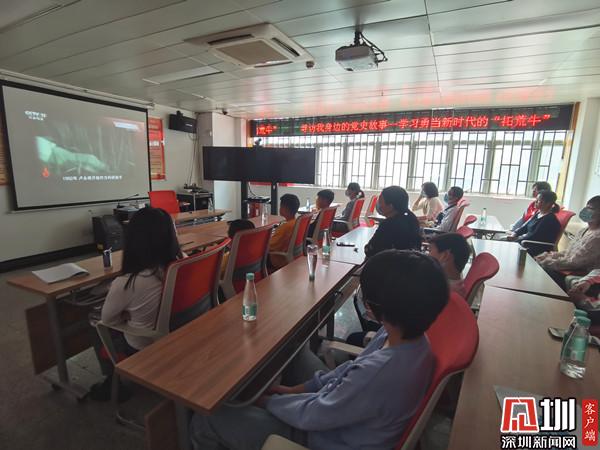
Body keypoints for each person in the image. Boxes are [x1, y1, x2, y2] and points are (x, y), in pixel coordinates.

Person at [189, 250, 449, 450]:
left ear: (379, 306)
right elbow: (347, 372)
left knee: (208, 418)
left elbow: (314, 415)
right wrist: (293, 391)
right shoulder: (406, 336)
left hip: (323, 438)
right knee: (291, 351)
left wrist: (268, 402)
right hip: (340, 409)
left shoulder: (380, 373)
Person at [90, 207, 183, 400]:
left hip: (146, 345)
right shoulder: (182, 265)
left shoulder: (128, 282)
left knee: (94, 322)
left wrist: (126, 313)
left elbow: (108, 320)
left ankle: (114, 383)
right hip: (180, 334)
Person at [536, 196, 600, 289]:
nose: (585, 210)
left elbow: (575, 262)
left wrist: (547, 261)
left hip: (581, 275)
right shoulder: (584, 230)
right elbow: (568, 252)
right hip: (570, 268)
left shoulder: (597, 237)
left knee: (541, 271)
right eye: (586, 207)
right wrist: (548, 255)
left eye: (590, 208)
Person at [364, 186, 421, 257]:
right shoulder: (412, 218)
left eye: (380, 202)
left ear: (390, 206)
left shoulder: (388, 224)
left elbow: (370, 250)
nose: (378, 205)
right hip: (411, 261)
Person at [505, 190, 561, 256]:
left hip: (536, 248)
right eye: (536, 199)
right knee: (503, 241)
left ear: (548, 203)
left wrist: (517, 239)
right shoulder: (538, 213)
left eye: (538, 200)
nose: (535, 202)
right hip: (527, 243)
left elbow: (534, 236)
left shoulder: (549, 219)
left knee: (505, 246)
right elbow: (525, 227)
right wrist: (515, 234)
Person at [429, 233, 471, 298]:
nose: (428, 255)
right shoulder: (452, 286)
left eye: (430, 250)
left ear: (445, 255)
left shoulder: (440, 292)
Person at [269, 194, 300, 269]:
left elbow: (269, 247)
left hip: (278, 260)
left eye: (281, 206)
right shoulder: (297, 222)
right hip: (293, 257)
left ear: (284, 208)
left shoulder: (285, 227)